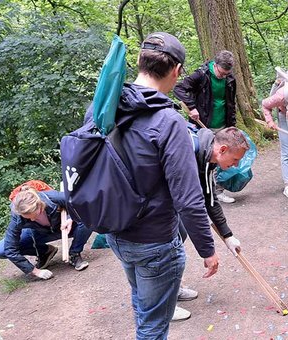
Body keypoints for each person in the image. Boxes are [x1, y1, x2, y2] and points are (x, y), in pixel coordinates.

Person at [97, 32, 219, 339]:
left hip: (116, 233)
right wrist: (207, 248)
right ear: (177, 71)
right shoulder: (169, 123)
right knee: (153, 327)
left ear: (139, 62)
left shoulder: (105, 108)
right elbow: (188, 198)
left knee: (142, 304)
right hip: (155, 242)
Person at [174, 126, 248, 321]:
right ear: (222, 149)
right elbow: (192, 207)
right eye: (235, 160)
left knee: (179, 235)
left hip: (171, 201)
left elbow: (209, 198)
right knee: (167, 244)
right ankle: (163, 303)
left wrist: (228, 235)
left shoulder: (208, 158)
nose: (236, 165)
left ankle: (172, 289)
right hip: (152, 203)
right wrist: (208, 251)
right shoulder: (191, 153)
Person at [174, 50, 238, 204]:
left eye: (226, 74)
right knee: (201, 159)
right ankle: (198, 192)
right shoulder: (201, 75)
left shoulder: (230, 78)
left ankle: (217, 191)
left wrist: (232, 126)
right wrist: (191, 107)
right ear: (215, 65)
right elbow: (179, 89)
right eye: (222, 73)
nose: (224, 76)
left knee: (221, 158)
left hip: (223, 123)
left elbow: (231, 102)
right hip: (203, 125)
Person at [0, 187, 92, 280]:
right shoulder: (17, 216)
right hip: (38, 233)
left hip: (65, 227)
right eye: (28, 218)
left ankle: (74, 253)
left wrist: (71, 218)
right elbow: (10, 249)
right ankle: (44, 252)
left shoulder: (54, 197)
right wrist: (35, 271)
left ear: (40, 206)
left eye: (35, 215)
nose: (32, 219)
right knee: (0, 251)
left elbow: (84, 204)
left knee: (90, 218)